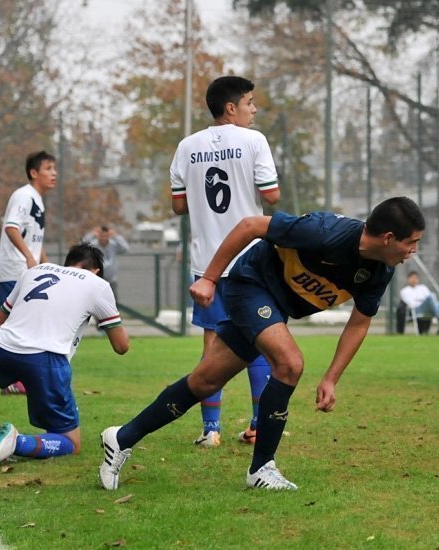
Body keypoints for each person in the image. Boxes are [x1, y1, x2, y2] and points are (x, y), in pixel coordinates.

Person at [99, 197, 424, 491]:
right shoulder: (324, 232)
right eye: (412, 243)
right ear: (388, 238)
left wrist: (331, 378)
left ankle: (121, 437)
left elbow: (359, 322)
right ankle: (261, 468)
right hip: (249, 284)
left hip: (274, 306)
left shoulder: (378, 271)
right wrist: (209, 278)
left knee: (205, 381)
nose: (413, 251)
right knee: (290, 363)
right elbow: (250, 225)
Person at [170, 76, 280, 448]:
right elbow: (273, 196)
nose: (254, 109)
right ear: (230, 108)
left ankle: (210, 430)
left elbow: (178, 205)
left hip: (206, 266)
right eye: (249, 102)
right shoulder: (254, 141)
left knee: (212, 343)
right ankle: (258, 425)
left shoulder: (187, 146)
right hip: (249, 262)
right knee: (259, 342)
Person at [0, 243, 129, 464]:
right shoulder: (97, 284)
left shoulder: (35, 271)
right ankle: (17, 442)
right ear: (96, 270)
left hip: (1, 346)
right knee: (71, 442)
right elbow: (121, 346)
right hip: (46, 361)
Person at [0, 150, 57, 395]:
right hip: (15, 271)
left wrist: (45, 263)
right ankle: (5, 378)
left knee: (27, 323)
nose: (54, 174)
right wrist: (29, 257)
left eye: (54, 168)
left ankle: (17, 379)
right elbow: (11, 228)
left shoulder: (37, 199)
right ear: (34, 173)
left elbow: (33, 238)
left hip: (27, 271)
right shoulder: (24, 195)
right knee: (11, 326)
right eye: (48, 168)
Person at [82, 225, 129, 298]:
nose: (103, 238)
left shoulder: (114, 245)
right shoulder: (94, 245)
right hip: (97, 279)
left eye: (105, 236)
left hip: (111, 279)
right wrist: (92, 234)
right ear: (98, 235)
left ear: (109, 236)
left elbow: (125, 248)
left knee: (113, 301)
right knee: (95, 300)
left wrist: (116, 235)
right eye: (101, 235)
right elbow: (82, 245)